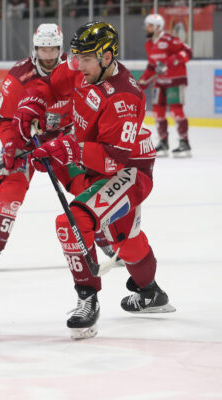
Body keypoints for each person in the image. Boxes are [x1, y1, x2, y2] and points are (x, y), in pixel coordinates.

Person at [17, 21, 175, 339]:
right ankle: (151, 294)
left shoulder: (124, 98)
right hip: (98, 167)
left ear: (106, 57)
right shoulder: (84, 67)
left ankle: (87, 299)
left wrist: (67, 148)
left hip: (129, 171)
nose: (78, 64)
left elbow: (113, 158)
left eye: (86, 58)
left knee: (71, 222)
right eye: (77, 57)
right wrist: (33, 100)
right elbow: (50, 86)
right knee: (123, 239)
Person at [0, 23, 74, 271]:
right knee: (11, 188)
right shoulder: (19, 77)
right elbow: (4, 118)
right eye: (43, 50)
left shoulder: (75, 70)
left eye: (52, 49)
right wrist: (10, 144)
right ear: (35, 49)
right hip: (25, 140)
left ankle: (106, 239)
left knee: (87, 182)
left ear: (60, 48)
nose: (48, 56)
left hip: (63, 139)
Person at [138, 13, 193, 157]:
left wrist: (172, 60)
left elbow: (187, 51)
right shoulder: (148, 44)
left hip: (175, 80)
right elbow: (152, 66)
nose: (147, 28)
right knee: (157, 112)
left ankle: (184, 142)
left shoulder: (169, 39)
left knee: (176, 111)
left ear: (157, 27)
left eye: (149, 26)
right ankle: (163, 142)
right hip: (159, 82)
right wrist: (142, 81)